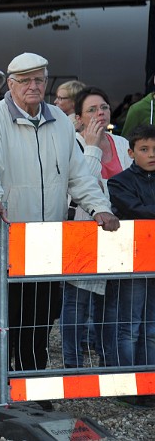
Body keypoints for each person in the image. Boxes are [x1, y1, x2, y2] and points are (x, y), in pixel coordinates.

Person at [0, 52, 119, 379]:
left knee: (41, 317)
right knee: (4, 316)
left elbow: (78, 174)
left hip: (48, 238)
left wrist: (100, 207)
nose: (33, 86)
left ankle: (31, 382)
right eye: (25, 81)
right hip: (6, 236)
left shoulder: (60, 122)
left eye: (39, 79)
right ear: (11, 84)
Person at [61, 87, 132, 370]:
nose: (99, 113)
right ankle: (73, 365)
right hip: (83, 232)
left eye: (103, 107)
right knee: (77, 302)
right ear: (78, 118)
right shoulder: (73, 145)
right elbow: (81, 187)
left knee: (110, 305)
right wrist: (91, 147)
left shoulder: (122, 143)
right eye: (91, 110)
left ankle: (107, 364)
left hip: (118, 234)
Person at [106, 125, 155, 389]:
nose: (151, 154)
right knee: (129, 325)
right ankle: (126, 385)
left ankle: (148, 384)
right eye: (144, 149)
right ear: (131, 152)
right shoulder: (119, 181)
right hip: (133, 260)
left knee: (152, 327)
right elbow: (136, 210)